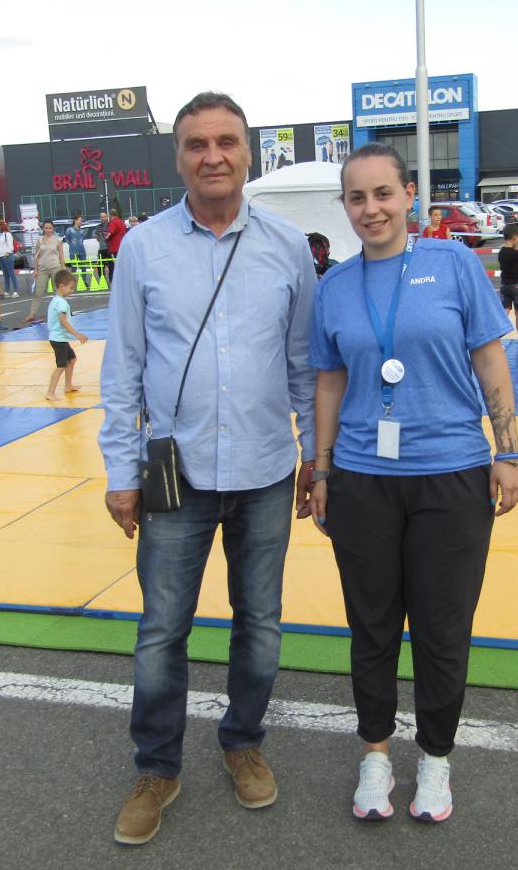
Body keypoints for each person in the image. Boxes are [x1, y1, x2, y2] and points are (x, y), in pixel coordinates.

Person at [99, 91, 316, 846]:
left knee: (260, 622)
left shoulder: (288, 247)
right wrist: (120, 470)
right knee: (162, 629)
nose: (213, 156)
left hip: (266, 470)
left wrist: (317, 458)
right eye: (197, 144)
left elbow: (303, 365)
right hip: (175, 475)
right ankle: (157, 767)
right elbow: (123, 370)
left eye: (227, 142)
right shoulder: (143, 248)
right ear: (179, 157)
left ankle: (243, 741)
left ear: (249, 152)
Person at [307, 142, 518, 824]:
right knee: (371, 627)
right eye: (357, 197)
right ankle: (375, 756)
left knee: (441, 630)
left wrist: (509, 450)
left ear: (408, 196)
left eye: (383, 194)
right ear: (345, 207)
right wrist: (321, 468)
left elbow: (490, 360)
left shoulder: (454, 264)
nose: (371, 209)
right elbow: (329, 382)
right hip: (362, 480)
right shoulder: (335, 287)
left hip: (451, 475)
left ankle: (435, 758)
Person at [45, 269, 89, 399]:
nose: (72, 291)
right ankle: (50, 392)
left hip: (60, 338)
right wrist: (76, 334)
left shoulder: (56, 299)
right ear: (61, 286)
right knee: (61, 366)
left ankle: (68, 385)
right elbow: (63, 321)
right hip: (59, 339)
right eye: (70, 288)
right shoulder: (61, 302)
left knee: (72, 359)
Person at [26, 220, 65, 325]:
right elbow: (37, 256)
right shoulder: (40, 240)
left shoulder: (57, 240)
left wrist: (63, 268)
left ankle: (61, 311)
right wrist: (35, 269)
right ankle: (32, 314)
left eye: (50, 228)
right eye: (46, 228)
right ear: (43, 229)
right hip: (42, 268)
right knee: (38, 291)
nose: (48, 230)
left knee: (57, 291)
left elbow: (61, 255)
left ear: (53, 229)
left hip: (55, 267)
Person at [0, 220, 17, 296]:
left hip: (6, 256)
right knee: (5, 275)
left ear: (1, 226)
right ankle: (7, 291)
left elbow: (10, 245)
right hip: (0, 256)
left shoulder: (7, 234)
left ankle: (15, 291)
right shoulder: (1, 235)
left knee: (11, 274)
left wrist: (7, 253)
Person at [105, 211, 127, 281]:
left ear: (111, 215)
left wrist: (106, 238)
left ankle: (116, 279)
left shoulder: (113, 222)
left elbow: (110, 232)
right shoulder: (122, 222)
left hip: (115, 247)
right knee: (122, 264)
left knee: (115, 265)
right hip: (122, 246)